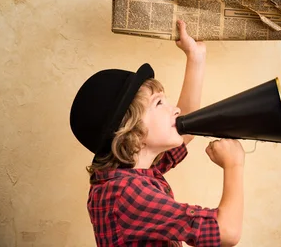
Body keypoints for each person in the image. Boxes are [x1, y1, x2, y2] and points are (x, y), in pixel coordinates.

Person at [70, 20, 244, 247]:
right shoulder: (126, 193)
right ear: (132, 130)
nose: (176, 110)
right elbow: (226, 232)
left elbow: (185, 128)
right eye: (159, 103)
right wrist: (234, 165)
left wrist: (195, 57)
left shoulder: (135, 173)